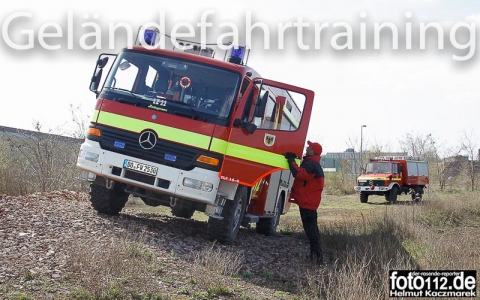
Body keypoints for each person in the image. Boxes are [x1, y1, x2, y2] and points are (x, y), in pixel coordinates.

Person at [284, 141, 325, 265]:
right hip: (309, 202)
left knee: (310, 230)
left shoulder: (311, 164)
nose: (307, 148)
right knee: (312, 229)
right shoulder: (313, 164)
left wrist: (291, 160)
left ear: (313, 151)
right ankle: (315, 256)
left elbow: (298, 174)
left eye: (309, 147)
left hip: (308, 203)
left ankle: (318, 258)